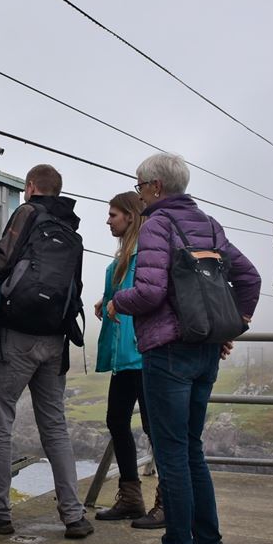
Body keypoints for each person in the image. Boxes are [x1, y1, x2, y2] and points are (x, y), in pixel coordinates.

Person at [109, 153, 260, 544]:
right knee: (191, 449)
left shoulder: (157, 225)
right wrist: (234, 326)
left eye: (139, 187)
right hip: (205, 351)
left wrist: (116, 301)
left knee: (172, 452)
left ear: (155, 187)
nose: (138, 193)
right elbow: (249, 279)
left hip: (168, 351)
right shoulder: (210, 225)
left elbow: (151, 293)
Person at [0, 163, 92, 539]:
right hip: (55, 339)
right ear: (57, 191)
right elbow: (73, 286)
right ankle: (74, 516)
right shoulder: (71, 229)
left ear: (30, 187)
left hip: (17, 336)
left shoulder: (27, 212)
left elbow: (1, 263)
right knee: (55, 427)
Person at [92, 191, 162, 526]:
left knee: (153, 427)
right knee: (117, 421)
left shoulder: (147, 257)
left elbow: (148, 298)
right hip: (126, 359)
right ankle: (132, 497)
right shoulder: (118, 264)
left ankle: (166, 501)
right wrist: (104, 302)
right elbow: (117, 299)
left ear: (130, 217)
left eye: (114, 214)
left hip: (144, 355)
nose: (108, 220)